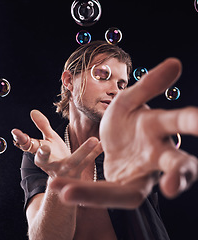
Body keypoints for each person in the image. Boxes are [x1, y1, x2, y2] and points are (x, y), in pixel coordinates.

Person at [12, 40, 198, 240]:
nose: (115, 90)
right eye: (102, 76)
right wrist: (60, 178)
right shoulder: (40, 156)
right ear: (68, 81)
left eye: (121, 84)